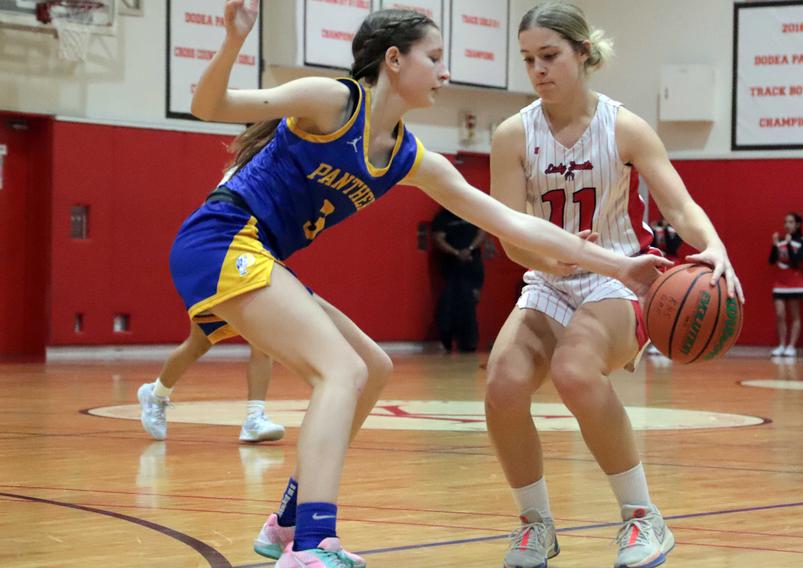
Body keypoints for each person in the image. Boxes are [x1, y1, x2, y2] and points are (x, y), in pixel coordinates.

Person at [173, 3, 672, 566]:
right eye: (434, 58)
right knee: (342, 370)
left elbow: (513, 224)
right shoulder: (334, 101)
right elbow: (207, 106)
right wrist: (235, 40)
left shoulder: (408, 155)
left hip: (259, 253)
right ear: (394, 59)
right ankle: (314, 544)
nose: (445, 72)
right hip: (222, 238)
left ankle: (286, 522)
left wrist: (618, 266)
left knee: (372, 368)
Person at [484, 3, 743, 568]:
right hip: (550, 280)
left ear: (583, 52)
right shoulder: (512, 134)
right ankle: (535, 525)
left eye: (549, 56)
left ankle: (642, 517)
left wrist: (714, 245)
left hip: (624, 276)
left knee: (574, 372)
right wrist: (548, 260)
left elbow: (678, 204)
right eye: (528, 59)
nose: (538, 70)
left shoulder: (623, 126)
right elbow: (510, 235)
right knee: (502, 384)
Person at [136, 323, 285, 442]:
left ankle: (255, 418)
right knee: (199, 343)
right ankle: (156, 394)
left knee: (261, 340)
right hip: (216, 287)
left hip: (253, 285)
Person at [431, 207, 485, 352]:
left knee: (470, 303)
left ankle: (469, 342)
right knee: (449, 304)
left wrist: (470, 248)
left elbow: (482, 232)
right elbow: (438, 238)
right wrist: (456, 253)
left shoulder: (472, 212)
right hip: (452, 269)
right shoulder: (443, 217)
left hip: (472, 267)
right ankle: (447, 339)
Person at [768, 212, 803, 357]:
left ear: (797, 224)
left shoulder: (802, 242)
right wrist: (774, 245)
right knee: (780, 314)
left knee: (795, 315)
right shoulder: (781, 241)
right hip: (780, 283)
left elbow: (797, 261)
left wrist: (790, 244)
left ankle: (791, 346)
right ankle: (782, 345)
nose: (787, 225)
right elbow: (772, 260)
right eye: (785, 222)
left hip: (795, 283)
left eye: (790, 222)